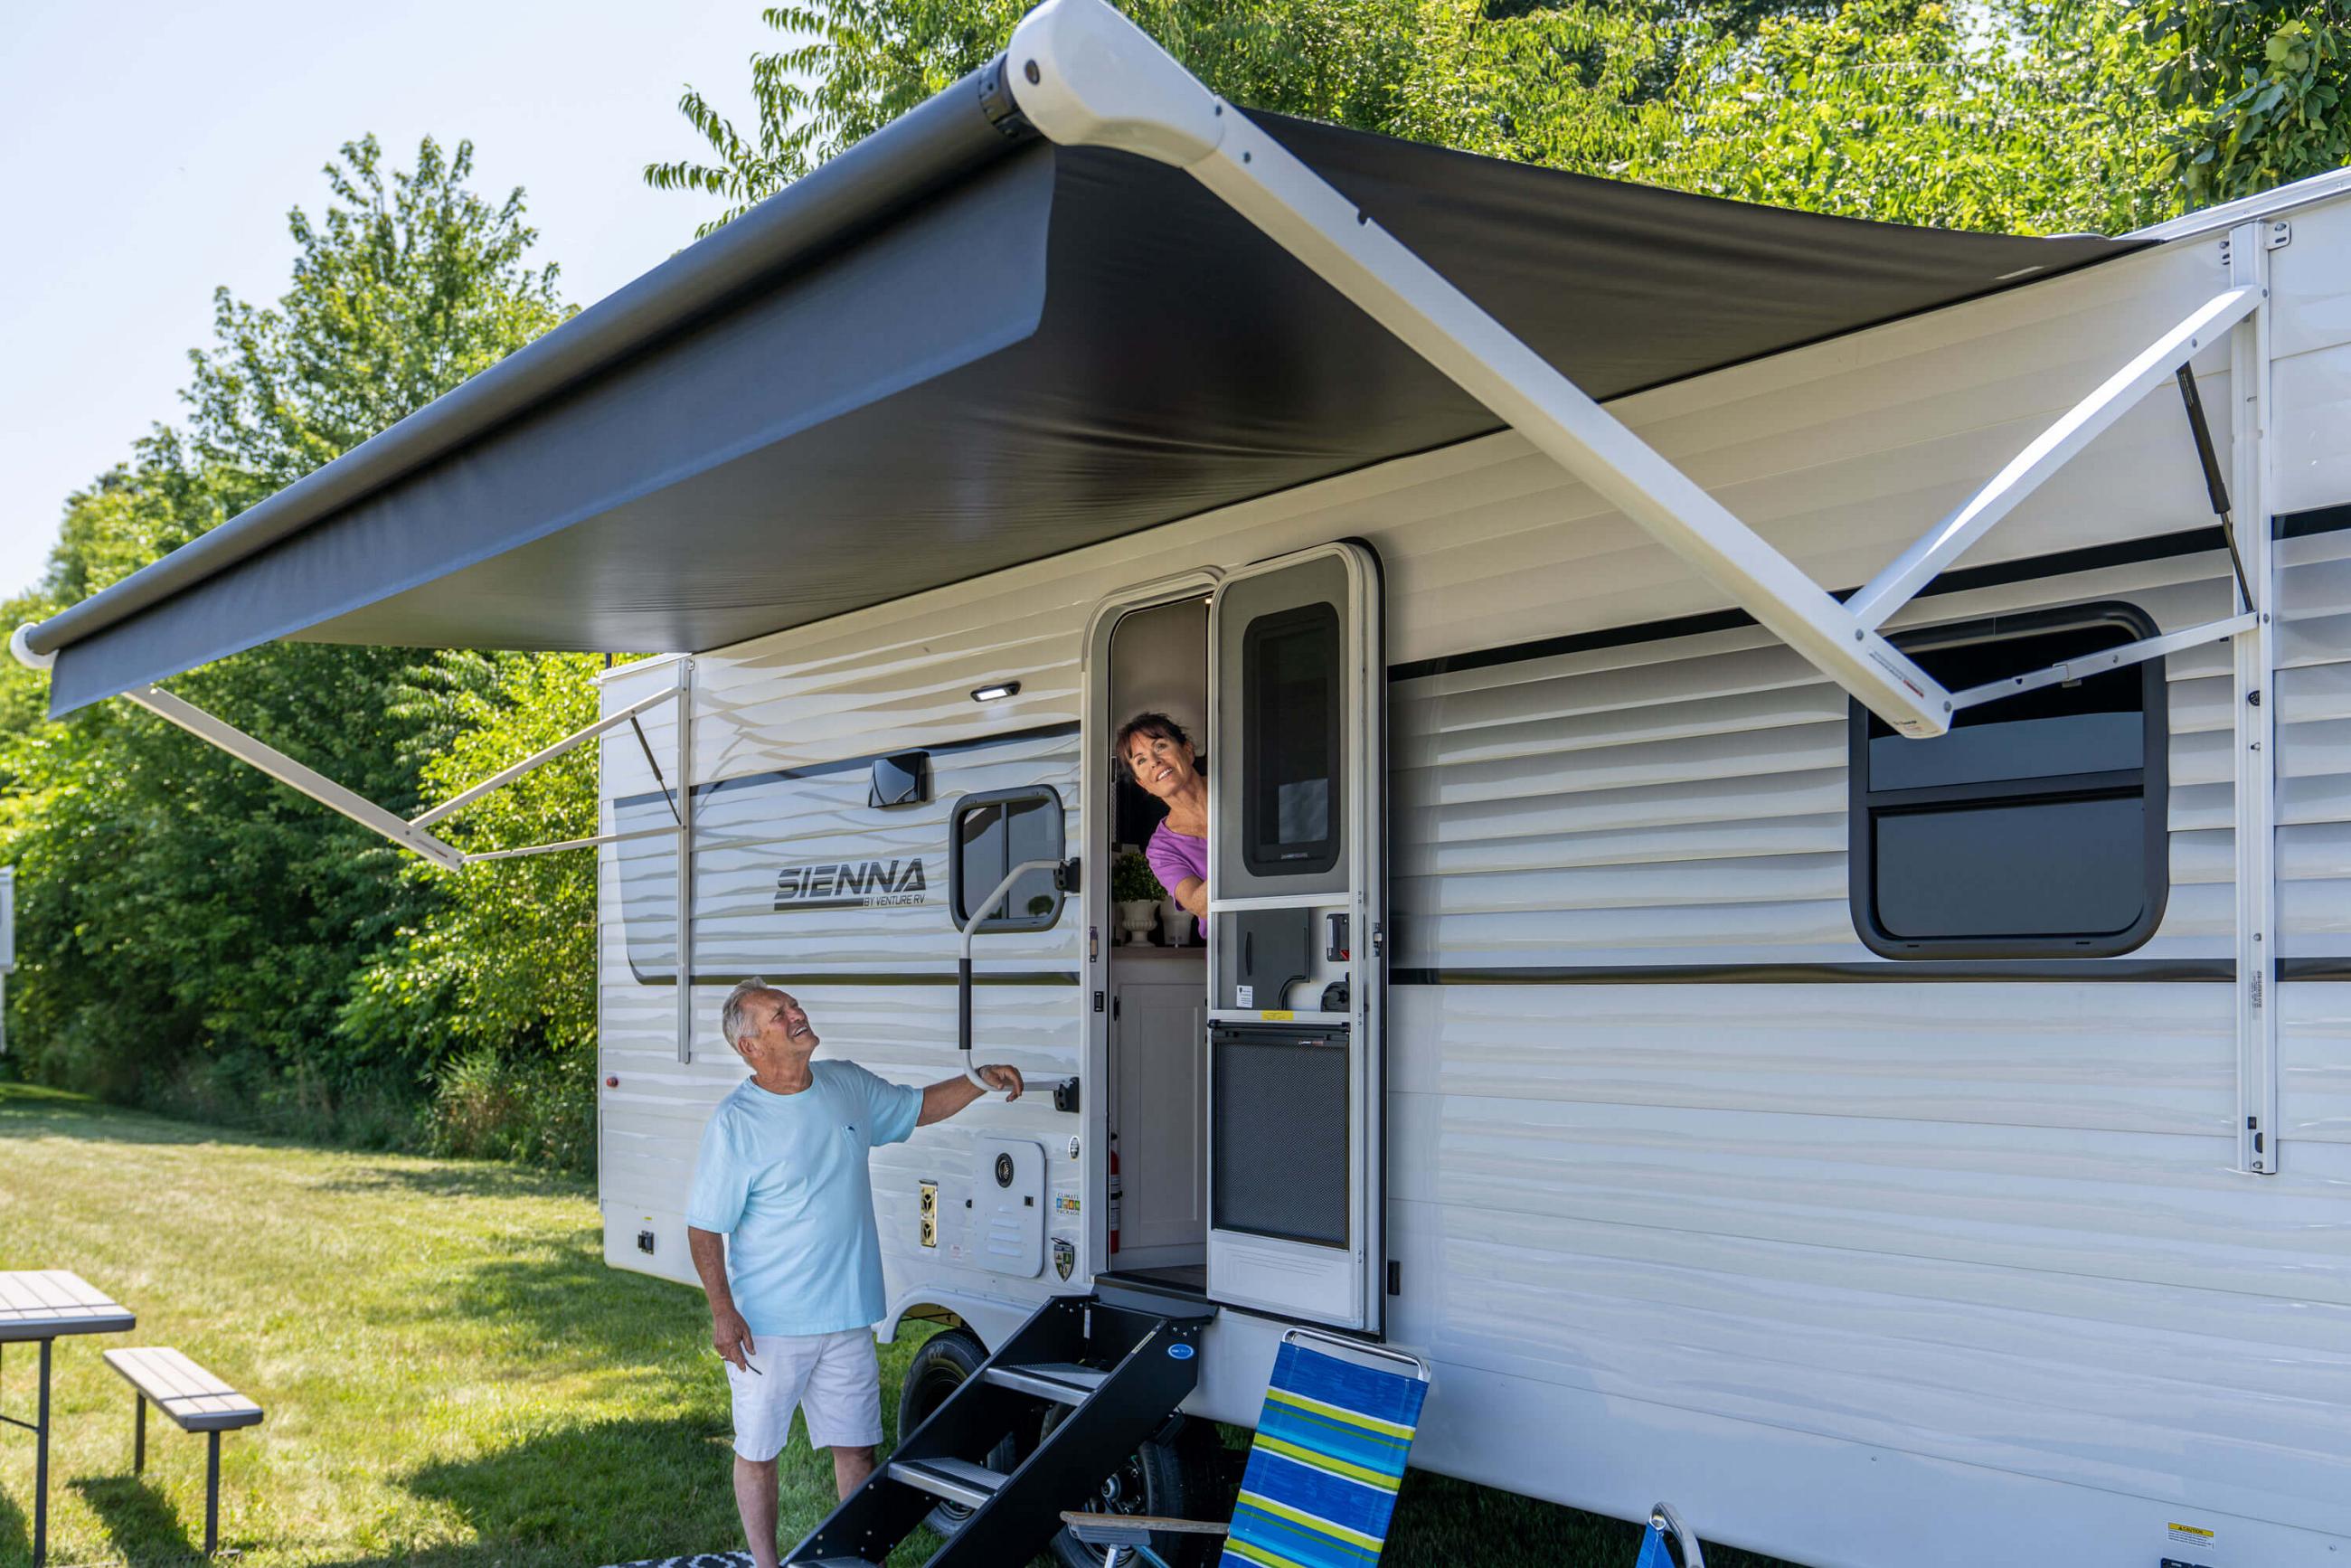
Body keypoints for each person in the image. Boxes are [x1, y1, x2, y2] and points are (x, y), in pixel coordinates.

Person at [685, 978, 1024, 1568]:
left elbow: (916, 1108)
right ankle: (765, 1565)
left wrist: (977, 1081)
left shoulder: (845, 1084)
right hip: (768, 1326)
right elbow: (704, 1227)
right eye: (777, 1013)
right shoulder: (736, 1122)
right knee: (759, 1453)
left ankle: (860, 1562)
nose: (795, 1013)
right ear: (750, 1047)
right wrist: (722, 1312)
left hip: (846, 1316)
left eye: (792, 1004)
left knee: (858, 1453)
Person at [1119, 711, 1208, 938]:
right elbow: (1200, 905)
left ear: (1188, 751)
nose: (1154, 761)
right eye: (1141, 760)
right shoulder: (1161, 850)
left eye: (1160, 746)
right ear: (1142, 784)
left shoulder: (1240, 785)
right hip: (1235, 939)